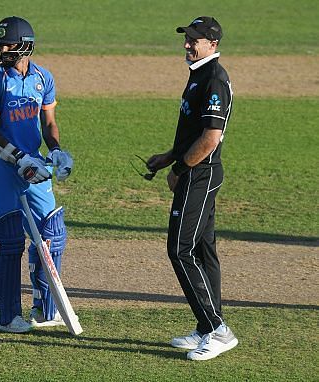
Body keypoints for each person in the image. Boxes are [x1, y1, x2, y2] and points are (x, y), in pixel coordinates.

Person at [146, 17, 238, 361]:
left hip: (200, 174)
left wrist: (180, 169)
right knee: (203, 250)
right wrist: (167, 156)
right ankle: (206, 327)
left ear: (212, 44)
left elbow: (211, 138)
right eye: (187, 38)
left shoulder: (214, 78)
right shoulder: (198, 73)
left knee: (180, 250)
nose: (187, 44)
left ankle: (217, 329)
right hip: (197, 170)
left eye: (194, 40)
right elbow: (193, 131)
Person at [0, 16, 74, 333]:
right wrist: (18, 158)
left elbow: (48, 123)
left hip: (36, 166)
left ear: (26, 46)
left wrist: (56, 149)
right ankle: (6, 315)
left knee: (51, 232)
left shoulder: (42, 79)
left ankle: (46, 310)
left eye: (8, 44)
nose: (1, 50)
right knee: (8, 237)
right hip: (2, 167)